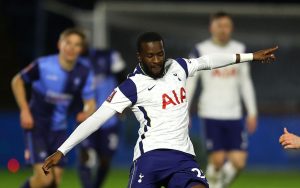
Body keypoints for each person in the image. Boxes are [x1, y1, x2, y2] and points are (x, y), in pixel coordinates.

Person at [42, 32, 277, 188]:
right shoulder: (131, 86)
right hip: (149, 160)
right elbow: (96, 119)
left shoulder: (178, 67)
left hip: (184, 159)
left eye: (160, 53)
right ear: (140, 56)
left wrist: (250, 57)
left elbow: (208, 61)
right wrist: (62, 150)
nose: (156, 60)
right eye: (150, 55)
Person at [11, 28, 96, 188]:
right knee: (45, 179)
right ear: (59, 44)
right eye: (68, 43)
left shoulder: (84, 72)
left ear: (81, 49)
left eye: (77, 45)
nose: (71, 48)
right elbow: (17, 81)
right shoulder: (43, 65)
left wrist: (87, 112)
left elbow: (90, 101)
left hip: (60, 130)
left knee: (55, 182)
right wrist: (24, 110)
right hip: (37, 127)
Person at [187, 12, 257, 188]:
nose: (223, 30)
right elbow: (191, 83)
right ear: (212, 27)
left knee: (239, 162)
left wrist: (252, 111)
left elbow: (245, 82)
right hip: (211, 112)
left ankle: (212, 185)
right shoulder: (200, 50)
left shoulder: (240, 48)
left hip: (234, 113)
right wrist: (184, 110)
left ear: (231, 28)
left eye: (227, 26)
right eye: (220, 26)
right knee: (217, 161)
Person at [77, 48, 126, 188]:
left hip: (108, 119)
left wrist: (123, 104)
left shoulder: (111, 56)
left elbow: (123, 79)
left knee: (105, 159)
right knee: (87, 156)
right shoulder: (77, 62)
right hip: (87, 116)